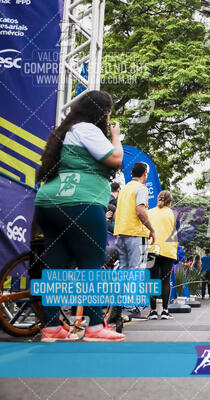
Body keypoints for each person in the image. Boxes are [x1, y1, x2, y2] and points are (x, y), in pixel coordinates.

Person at [34, 90, 124, 342]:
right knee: (90, 266)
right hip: (80, 203)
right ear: (102, 113)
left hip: (49, 203)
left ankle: (52, 327)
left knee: (56, 269)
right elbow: (115, 159)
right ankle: (95, 326)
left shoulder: (65, 132)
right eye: (107, 114)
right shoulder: (87, 129)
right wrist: (116, 137)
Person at [113, 161, 156, 324]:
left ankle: (119, 307)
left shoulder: (123, 190)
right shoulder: (142, 189)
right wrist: (151, 229)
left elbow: (116, 215)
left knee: (123, 270)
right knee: (136, 271)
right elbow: (141, 211)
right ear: (145, 173)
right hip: (136, 234)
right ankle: (129, 308)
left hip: (120, 233)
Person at [147, 190, 177, 320]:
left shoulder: (149, 212)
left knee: (152, 280)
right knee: (165, 281)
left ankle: (153, 311)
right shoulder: (171, 213)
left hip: (151, 249)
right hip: (167, 250)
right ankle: (165, 311)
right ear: (169, 202)